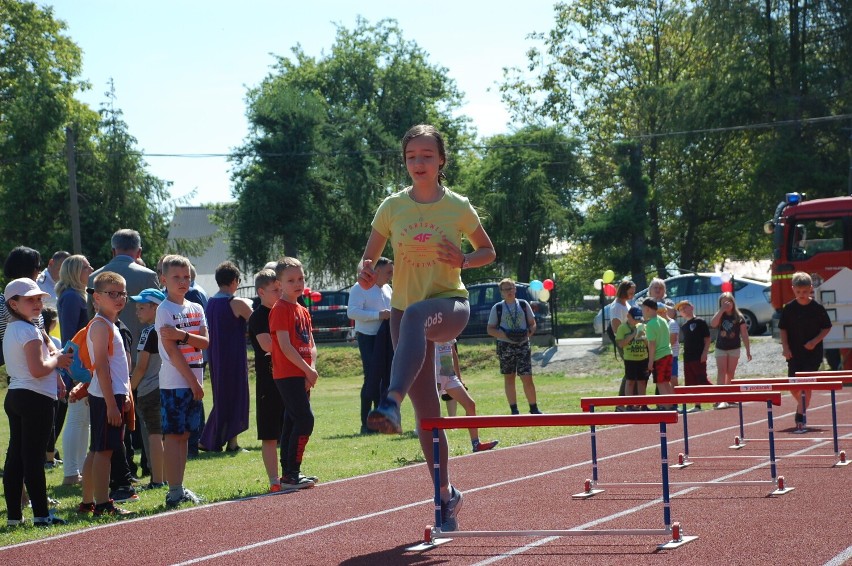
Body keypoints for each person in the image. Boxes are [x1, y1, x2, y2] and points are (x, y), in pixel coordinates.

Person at [361, 124, 496, 533]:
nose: (418, 163)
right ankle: (445, 495)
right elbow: (368, 260)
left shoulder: (458, 206)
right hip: (404, 313)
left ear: (441, 160)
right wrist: (366, 273)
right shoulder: (391, 207)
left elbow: (488, 251)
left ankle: (390, 401)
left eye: (426, 156)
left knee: (418, 315)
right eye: (411, 157)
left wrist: (464, 259)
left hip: (450, 304)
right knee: (428, 416)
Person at [3, 278, 72, 526]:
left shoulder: (14, 328)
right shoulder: (29, 330)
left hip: (16, 395)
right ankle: (42, 516)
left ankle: (14, 516)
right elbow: (38, 369)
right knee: (32, 459)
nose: (37, 303)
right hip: (35, 398)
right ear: (13, 304)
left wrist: (53, 357)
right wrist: (58, 361)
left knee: (16, 458)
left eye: (39, 299)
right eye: (30, 299)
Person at [79, 272, 136, 517]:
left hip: (110, 394)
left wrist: (125, 395)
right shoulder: (101, 325)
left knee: (97, 449)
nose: (119, 298)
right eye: (112, 294)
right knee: (104, 451)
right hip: (106, 396)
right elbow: (101, 367)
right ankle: (102, 504)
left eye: (122, 293)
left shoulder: (109, 324)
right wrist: (112, 404)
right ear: (97, 298)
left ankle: (88, 502)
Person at [156, 254, 209, 508]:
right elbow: (172, 351)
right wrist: (193, 382)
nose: (182, 281)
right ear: (163, 280)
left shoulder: (196, 308)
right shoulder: (164, 309)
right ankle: (174, 490)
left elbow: (205, 342)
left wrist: (181, 335)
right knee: (174, 436)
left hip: (194, 380)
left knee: (186, 435)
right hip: (175, 383)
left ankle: (180, 487)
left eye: (186, 277)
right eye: (176, 277)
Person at [270, 257, 319, 488]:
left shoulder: (303, 310)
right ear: (279, 284)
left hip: (303, 374)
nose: (298, 283)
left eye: (300, 278)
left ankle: (290, 473)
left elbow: (311, 344)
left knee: (292, 420)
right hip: (288, 374)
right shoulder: (280, 309)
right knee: (305, 419)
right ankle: (292, 473)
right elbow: (285, 346)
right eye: (291, 280)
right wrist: (306, 370)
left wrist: (312, 370)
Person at [200, 261, 252, 453]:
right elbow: (257, 322)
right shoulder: (235, 302)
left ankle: (224, 441)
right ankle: (213, 440)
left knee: (223, 398)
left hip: (216, 356)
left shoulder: (211, 302)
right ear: (234, 281)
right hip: (233, 356)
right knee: (236, 397)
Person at [89, 229, 160, 362]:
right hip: (142, 353)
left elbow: (90, 315)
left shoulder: (94, 277)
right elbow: (158, 315)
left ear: (113, 251)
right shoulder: (148, 276)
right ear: (139, 252)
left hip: (102, 351)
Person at [248, 269, 288, 492]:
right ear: (261, 292)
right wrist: (291, 347)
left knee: (290, 429)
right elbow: (267, 345)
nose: (280, 294)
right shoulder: (258, 316)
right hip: (269, 382)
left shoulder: (285, 311)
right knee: (270, 434)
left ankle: (291, 473)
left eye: (281, 289)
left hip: (288, 378)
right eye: (275, 290)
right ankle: (274, 480)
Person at [56, 255, 94, 485]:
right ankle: (71, 472)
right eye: (86, 267)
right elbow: (70, 337)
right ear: (75, 271)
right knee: (76, 418)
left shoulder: (76, 295)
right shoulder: (72, 297)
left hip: (80, 363)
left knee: (82, 419)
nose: (91, 269)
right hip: (76, 364)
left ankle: (77, 470)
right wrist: (72, 368)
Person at [779, 272, 832, 431]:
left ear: (811, 289)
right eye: (798, 292)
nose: (802, 295)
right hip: (794, 352)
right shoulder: (789, 308)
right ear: (793, 289)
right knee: (793, 386)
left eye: (805, 291)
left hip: (812, 353)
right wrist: (785, 347)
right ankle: (802, 405)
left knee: (805, 385)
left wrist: (814, 341)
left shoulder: (817, 308)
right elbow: (783, 329)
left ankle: (800, 415)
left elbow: (827, 327)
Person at [347, 256, 394, 434]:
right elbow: (352, 312)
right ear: (377, 270)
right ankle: (366, 423)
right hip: (367, 337)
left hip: (385, 338)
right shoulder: (360, 287)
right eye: (388, 272)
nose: (391, 276)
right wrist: (378, 315)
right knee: (371, 378)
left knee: (384, 378)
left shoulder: (388, 289)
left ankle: (379, 421)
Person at [129, 288, 167, 489]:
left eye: (142, 307)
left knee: (153, 434)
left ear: (156, 308)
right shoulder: (171, 328)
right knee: (166, 435)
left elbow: (141, 367)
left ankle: (157, 479)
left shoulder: (149, 332)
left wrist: (129, 390)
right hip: (168, 386)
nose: (137, 311)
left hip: (150, 389)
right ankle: (167, 476)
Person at [487, 278, 541, 415]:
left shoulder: (523, 304)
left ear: (515, 289)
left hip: (523, 345)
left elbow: (532, 323)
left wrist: (529, 332)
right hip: (505, 346)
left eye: (511, 288)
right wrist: (506, 335)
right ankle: (514, 410)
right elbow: (490, 329)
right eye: (506, 289)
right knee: (509, 377)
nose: (509, 291)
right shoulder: (498, 308)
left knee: (527, 377)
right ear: (501, 292)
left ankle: (534, 408)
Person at [435, 339, 498, 452]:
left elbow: (453, 353)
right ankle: (432, 450)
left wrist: (459, 378)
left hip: (449, 374)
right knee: (432, 413)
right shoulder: (427, 329)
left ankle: (476, 444)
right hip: (435, 376)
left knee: (470, 405)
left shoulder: (449, 330)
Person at [710, 292, 752, 408]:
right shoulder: (720, 315)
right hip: (721, 348)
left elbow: (744, 334)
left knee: (730, 372)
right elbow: (713, 324)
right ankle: (720, 399)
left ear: (733, 303)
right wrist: (721, 310)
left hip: (734, 348)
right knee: (721, 371)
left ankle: (729, 397)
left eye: (729, 302)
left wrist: (748, 350)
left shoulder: (739, 317)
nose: (727, 305)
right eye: (724, 303)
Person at [676, 300, 711, 412]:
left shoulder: (700, 321)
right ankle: (697, 405)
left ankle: (720, 398)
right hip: (688, 357)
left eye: (685, 307)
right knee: (692, 382)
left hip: (698, 356)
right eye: (681, 310)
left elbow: (707, 339)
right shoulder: (684, 326)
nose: (683, 310)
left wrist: (705, 352)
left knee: (702, 380)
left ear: (692, 307)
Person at [615, 306, 650, 407]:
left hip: (643, 358)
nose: (637, 321)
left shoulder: (644, 327)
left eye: (639, 319)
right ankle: (629, 405)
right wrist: (633, 334)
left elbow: (649, 344)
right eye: (635, 319)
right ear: (628, 316)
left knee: (642, 382)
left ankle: (642, 405)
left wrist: (643, 337)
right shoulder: (622, 328)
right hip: (630, 359)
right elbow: (621, 344)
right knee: (630, 381)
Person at [642, 298, 675, 402]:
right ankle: (672, 405)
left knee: (660, 383)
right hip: (668, 354)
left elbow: (652, 344)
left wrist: (650, 362)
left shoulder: (650, 324)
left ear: (647, 309)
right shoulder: (663, 320)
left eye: (643, 309)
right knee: (666, 382)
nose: (642, 312)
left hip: (659, 357)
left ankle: (667, 407)